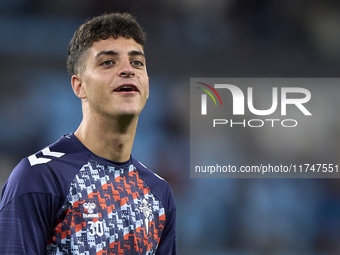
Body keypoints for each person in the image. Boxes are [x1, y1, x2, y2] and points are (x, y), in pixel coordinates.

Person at [0, 12, 177, 255]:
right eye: (108, 62)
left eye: (137, 62)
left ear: (147, 84)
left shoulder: (158, 192)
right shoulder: (39, 177)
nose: (128, 70)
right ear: (79, 85)